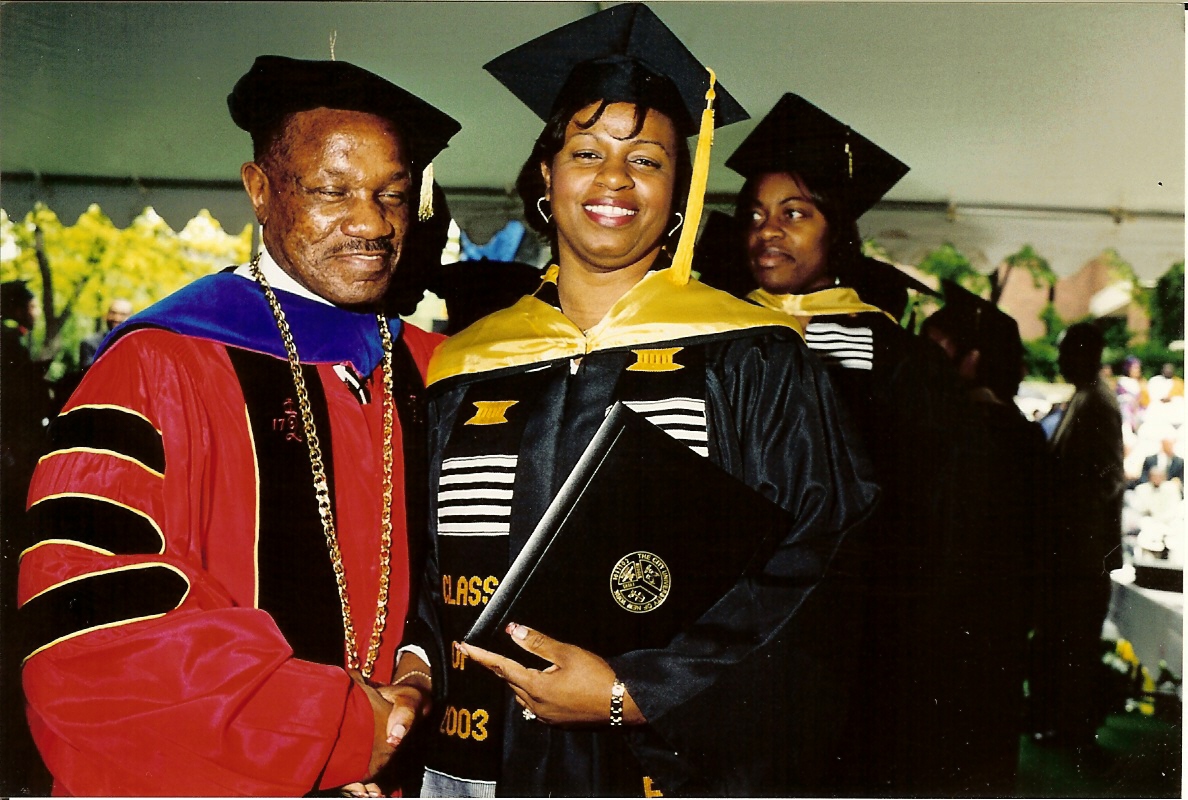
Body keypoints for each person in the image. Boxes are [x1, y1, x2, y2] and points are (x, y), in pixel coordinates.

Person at [382, 5, 878, 796]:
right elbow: (413, 571)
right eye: (585, 152)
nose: (613, 180)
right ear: (545, 176)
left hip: (666, 761)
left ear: (678, 190)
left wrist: (638, 692)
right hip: (479, 756)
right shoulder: (464, 364)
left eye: (646, 160)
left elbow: (821, 560)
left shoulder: (751, 356)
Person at [15, 55, 460, 796]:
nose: (372, 223)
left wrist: (415, 680)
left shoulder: (431, 367)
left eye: (393, 194)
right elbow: (93, 623)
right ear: (259, 190)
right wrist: (337, 729)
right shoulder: (158, 365)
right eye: (333, 191)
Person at [724, 93, 1002, 795]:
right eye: (755, 214)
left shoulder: (897, 360)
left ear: (836, 230)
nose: (768, 232)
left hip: (854, 639)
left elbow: (942, 522)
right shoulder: (714, 337)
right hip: (727, 633)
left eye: (796, 213)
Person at [920, 280, 1051, 792]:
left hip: (954, 623)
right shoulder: (1021, 431)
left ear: (970, 360)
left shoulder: (958, 430)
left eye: (932, 351)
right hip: (1001, 623)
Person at [1032, 322, 1126, 752]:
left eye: (1067, 351)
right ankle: (1060, 724)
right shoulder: (1083, 398)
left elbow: (1109, 478)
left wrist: (1067, 507)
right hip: (1072, 551)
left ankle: (1073, 730)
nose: (1060, 360)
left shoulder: (1098, 403)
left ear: (1087, 354)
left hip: (1084, 554)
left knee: (1074, 645)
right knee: (1062, 642)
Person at [78, 297, 134, 369]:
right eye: (113, 313)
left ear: (132, 317)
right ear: (106, 315)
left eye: (123, 314)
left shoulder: (137, 344)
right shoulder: (90, 344)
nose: (117, 318)